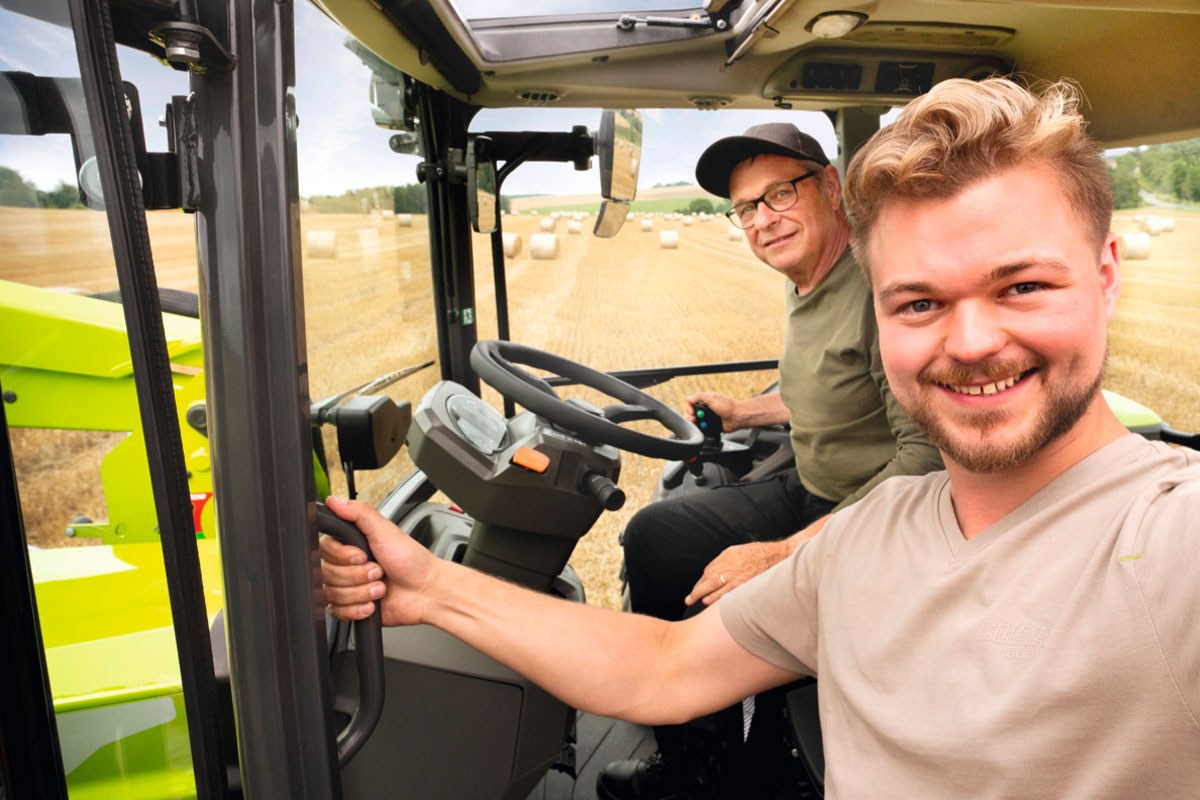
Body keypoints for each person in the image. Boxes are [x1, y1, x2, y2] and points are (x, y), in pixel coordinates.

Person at [322, 77, 1200, 799]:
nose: (970, 342)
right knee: (667, 531)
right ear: (884, 303)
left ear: (1106, 278)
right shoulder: (881, 530)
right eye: (921, 303)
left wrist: (778, 548)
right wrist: (428, 587)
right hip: (839, 497)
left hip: (829, 496)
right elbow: (664, 666)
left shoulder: (1167, 540)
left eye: (1022, 287)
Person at [611, 120, 942, 799]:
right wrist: (745, 411)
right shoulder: (806, 283)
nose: (763, 221)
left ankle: (713, 767)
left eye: (779, 195)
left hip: (874, 519)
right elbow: (824, 393)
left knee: (723, 574)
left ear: (829, 188)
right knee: (655, 534)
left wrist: (782, 554)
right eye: (746, 209)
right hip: (811, 485)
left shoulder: (879, 293)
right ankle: (695, 747)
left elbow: (924, 460)